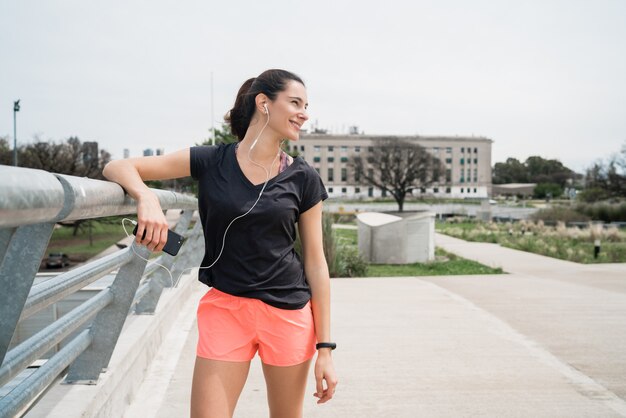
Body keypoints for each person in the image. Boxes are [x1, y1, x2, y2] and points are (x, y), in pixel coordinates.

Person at [103, 69, 337, 418]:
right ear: (264, 103)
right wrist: (146, 197)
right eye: (295, 103)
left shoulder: (303, 177)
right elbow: (117, 166)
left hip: (288, 313)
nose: (305, 113)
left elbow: (316, 264)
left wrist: (325, 349)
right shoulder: (211, 160)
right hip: (226, 309)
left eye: (306, 105)